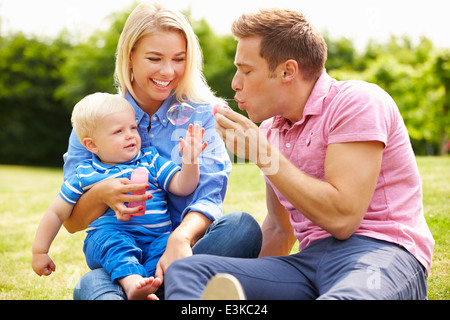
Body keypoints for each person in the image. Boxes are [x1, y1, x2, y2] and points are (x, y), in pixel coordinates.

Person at [164, 8, 435, 300]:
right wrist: (249, 282)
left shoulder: (358, 101)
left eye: (246, 70)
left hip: (380, 254)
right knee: (189, 271)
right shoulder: (270, 130)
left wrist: (262, 154)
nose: (235, 83)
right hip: (309, 264)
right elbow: (280, 229)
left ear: (287, 71)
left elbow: (343, 219)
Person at [62, 2, 262, 300]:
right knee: (90, 284)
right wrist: (102, 193)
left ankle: (152, 288)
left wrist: (179, 239)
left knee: (241, 228)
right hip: (123, 256)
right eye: (154, 58)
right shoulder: (97, 119)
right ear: (130, 58)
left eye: (179, 59)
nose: (168, 71)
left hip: (187, 249)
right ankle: (174, 290)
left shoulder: (202, 114)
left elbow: (208, 196)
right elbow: (72, 221)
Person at [32, 93, 207, 300]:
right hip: (110, 237)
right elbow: (56, 212)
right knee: (114, 243)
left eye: (133, 127)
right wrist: (40, 251)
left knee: (168, 247)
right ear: (92, 145)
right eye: (118, 131)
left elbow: (183, 186)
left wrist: (190, 161)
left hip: (156, 238)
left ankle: (151, 286)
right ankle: (132, 283)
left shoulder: (150, 160)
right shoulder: (85, 174)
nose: (131, 135)